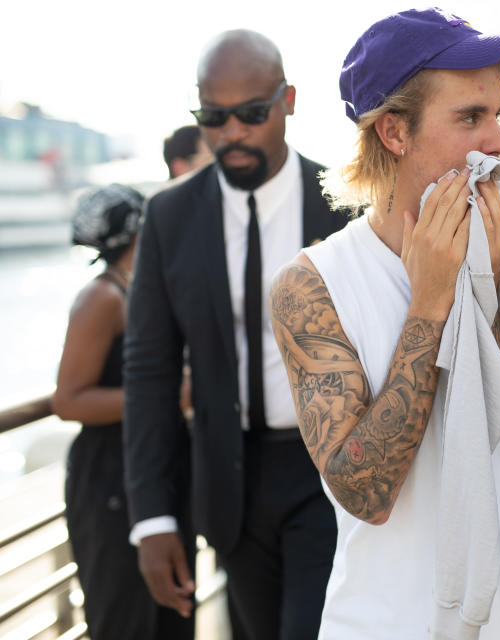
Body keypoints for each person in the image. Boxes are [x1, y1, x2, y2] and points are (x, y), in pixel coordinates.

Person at [270, 8, 500, 639]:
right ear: (395, 131)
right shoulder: (313, 285)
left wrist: (481, 300)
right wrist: (430, 306)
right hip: (390, 620)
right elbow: (365, 491)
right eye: (471, 118)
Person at [123, 29, 345, 639]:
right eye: (212, 117)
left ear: (288, 101)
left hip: (331, 470)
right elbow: (149, 370)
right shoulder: (169, 215)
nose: (231, 134)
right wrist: (152, 519)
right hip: (228, 482)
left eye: (251, 114)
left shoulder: (347, 207)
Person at [53, 184, 193, 640]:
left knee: (172, 614)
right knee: (123, 617)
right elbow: (68, 399)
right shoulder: (102, 298)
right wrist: (169, 395)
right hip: (110, 478)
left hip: (156, 467)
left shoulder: (141, 288)